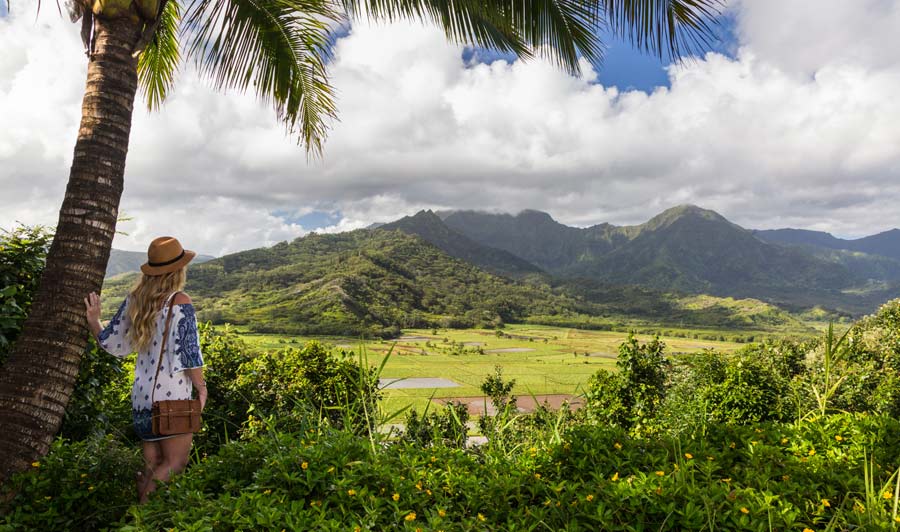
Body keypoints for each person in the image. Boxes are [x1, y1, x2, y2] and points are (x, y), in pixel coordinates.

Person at [84, 236, 206, 503]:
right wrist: (201, 387)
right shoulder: (180, 301)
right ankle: (140, 518)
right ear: (177, 270)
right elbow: (189, 352)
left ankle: (141, 520)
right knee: (175, 463)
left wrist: (94, 321)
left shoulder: (135, 300)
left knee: (152, 465)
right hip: (172, 396)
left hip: (141, 398)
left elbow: (112, 345)